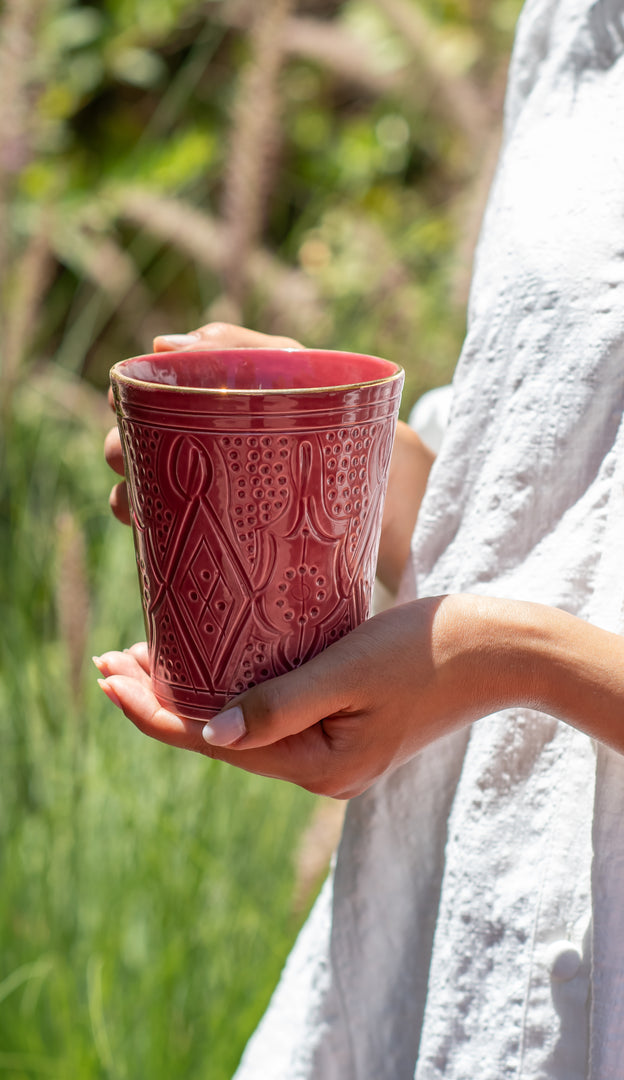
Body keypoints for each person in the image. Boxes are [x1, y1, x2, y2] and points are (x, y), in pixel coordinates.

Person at [94, 0, 624, 1074]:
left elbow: (518, 620)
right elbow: (537, 500)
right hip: (456, 922)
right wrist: (319, 459)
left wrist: (500, 656)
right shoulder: (577, 25)